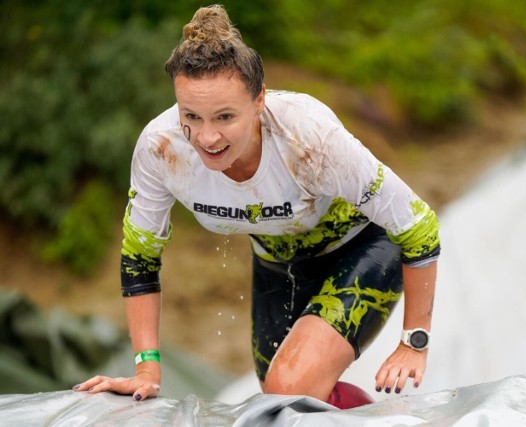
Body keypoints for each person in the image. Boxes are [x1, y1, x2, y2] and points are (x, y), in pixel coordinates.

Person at [73, 4, 440, 409]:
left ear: (259, 102)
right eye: (190, 115)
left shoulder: (308, 138)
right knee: (283, 402)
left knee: (288, 386)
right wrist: (147, 369)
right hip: (275, 261)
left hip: (363, 246)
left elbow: (419, 225)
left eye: (226, 117)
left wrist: (414, 341)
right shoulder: (161, 149)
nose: (207, 137)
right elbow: (140, 257)